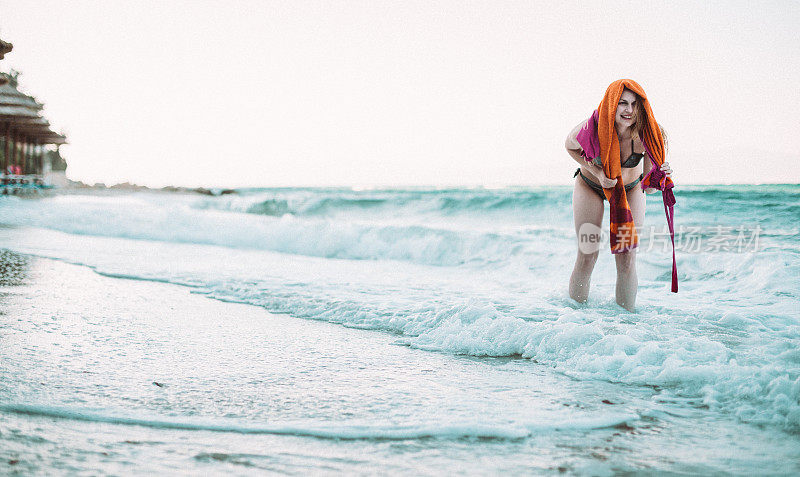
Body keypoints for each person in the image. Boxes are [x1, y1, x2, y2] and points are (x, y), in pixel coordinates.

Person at [564, 79, 674, 311]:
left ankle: (625, 324)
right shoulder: (593, 125)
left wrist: (659, 174)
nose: (629, 110)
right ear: (612, 103)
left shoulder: (650, 134)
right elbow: (570, 144)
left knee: (627, 258)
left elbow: (649, 188)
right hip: (590, 186)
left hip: (631, 188)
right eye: (623, 103)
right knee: (588, 252)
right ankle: (574, 320)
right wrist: (597, 172)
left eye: (634, 104)